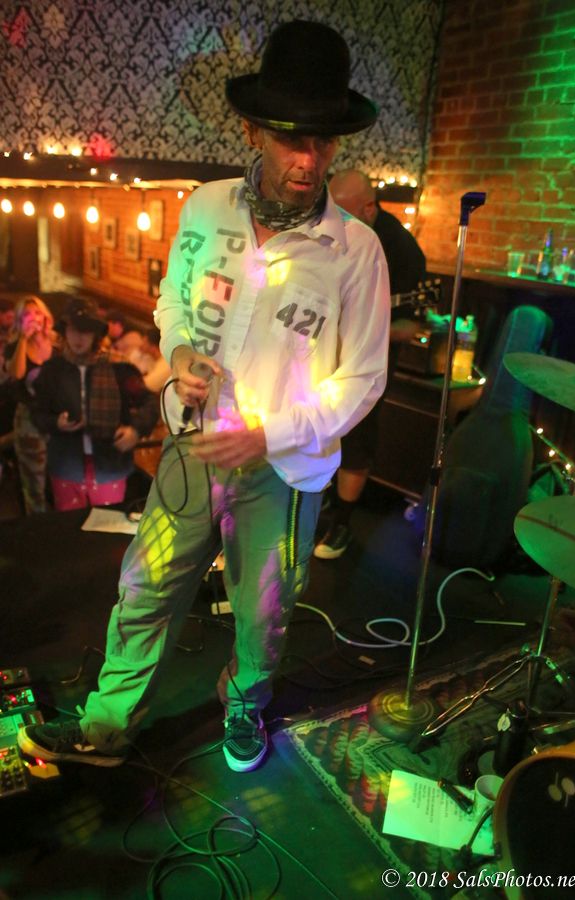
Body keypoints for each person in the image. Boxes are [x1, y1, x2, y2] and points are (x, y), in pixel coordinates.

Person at [19, 20, 390, 773]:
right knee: (146, 584)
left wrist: (269, 433)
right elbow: (173, 301)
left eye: (323, 141)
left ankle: (246, 703)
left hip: (284, 470)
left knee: (265, 611)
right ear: (253, 131)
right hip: (192, 445)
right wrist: (181, 349)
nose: (308, 159)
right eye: (290, 138)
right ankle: (107, 726)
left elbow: (364, 380)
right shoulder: (205, 206)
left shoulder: (356, 250)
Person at [314, 169, 427, 558]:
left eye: (343, 212)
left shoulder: (402, 250)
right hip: (322, 353)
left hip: (367, 361)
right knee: (314, 426)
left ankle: (342, 524)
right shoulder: (327, 231)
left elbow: (409, 326)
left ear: (369, 207)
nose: (334, 220)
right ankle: (318, 502)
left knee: (355, 437)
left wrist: (359, 327)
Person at [31, 298, 158, 511]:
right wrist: (55, 422)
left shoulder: (119, 369)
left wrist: (135, 430)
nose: (79, 337)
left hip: (110, 465)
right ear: (65, 331)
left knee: (107, 525)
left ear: (95, 335)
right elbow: (37, 413)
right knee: (71, 525)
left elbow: (150, 402)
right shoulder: (52, 371)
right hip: (66, 465)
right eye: (73, 330)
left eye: (86, 331)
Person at [2, 295, 57, 513]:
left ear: (45, 317)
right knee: (34, 485)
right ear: (19, 321)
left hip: (57, 419)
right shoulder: (15, 346)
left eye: (36, 312)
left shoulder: (58, 343)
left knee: (58, 480)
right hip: (29, 421)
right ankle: (38, 525)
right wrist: (24, 340)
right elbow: (16, 374)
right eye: (26, 315)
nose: (33, 317)